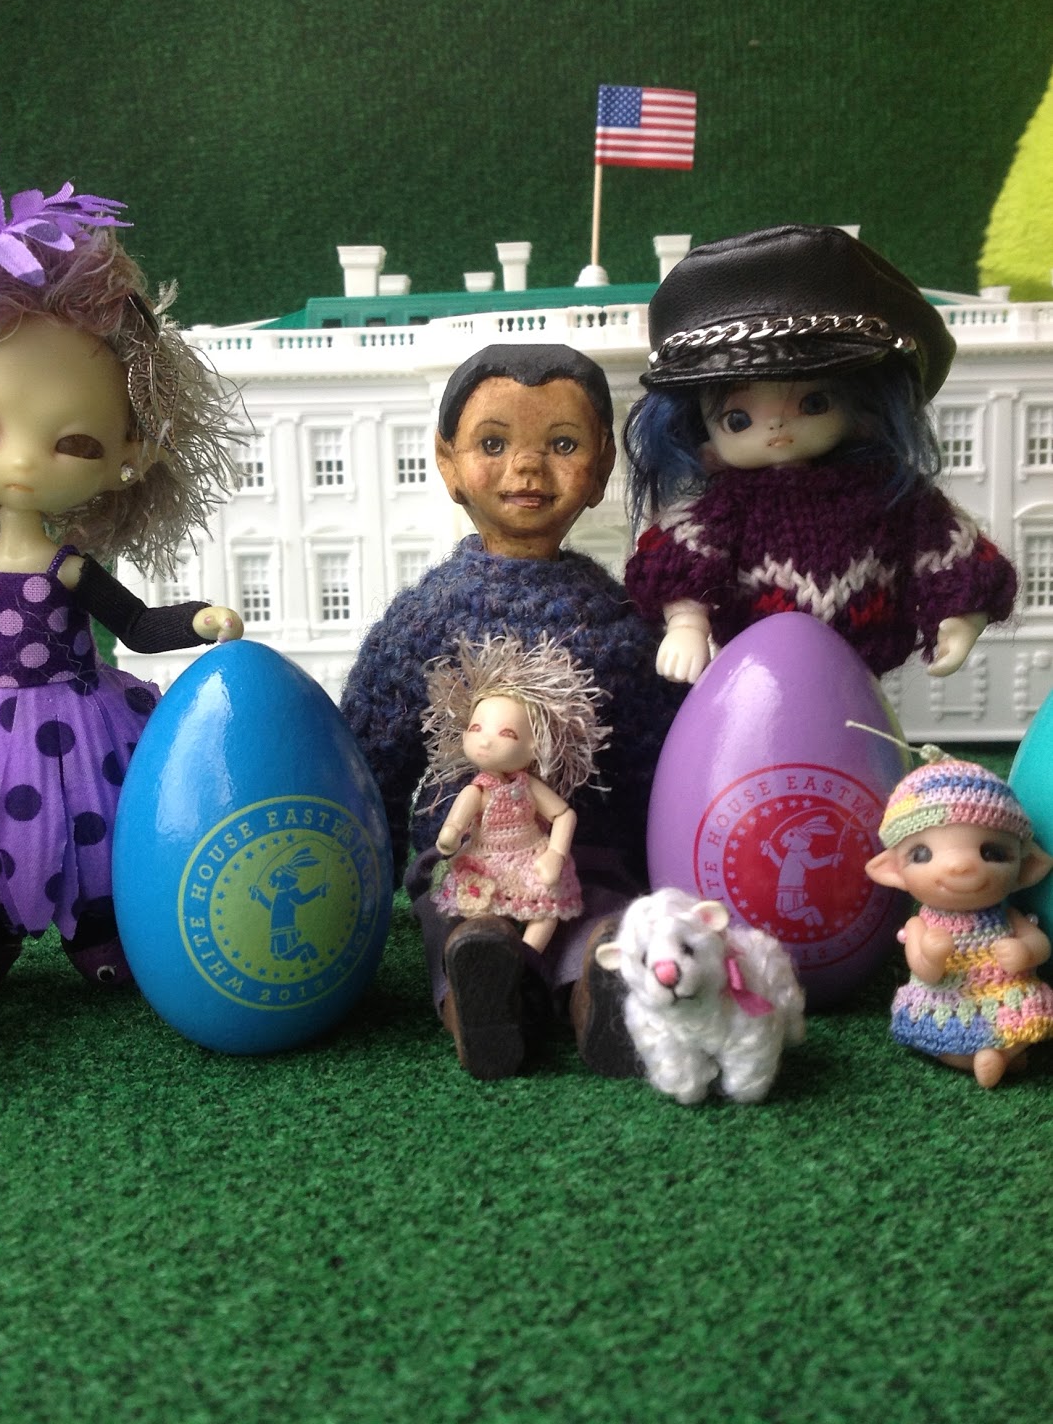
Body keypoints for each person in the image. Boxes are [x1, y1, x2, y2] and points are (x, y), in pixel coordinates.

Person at [0, 143, 242, 991]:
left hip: (81, 720)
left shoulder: (69, 570)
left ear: (130, 456)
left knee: (95, 819)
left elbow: (135, 625)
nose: (23, 462)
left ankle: (95, 929)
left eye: (74, 442)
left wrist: (198, 619)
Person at [340, 343, 679, 1079]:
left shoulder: (619, 622)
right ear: (448, 462)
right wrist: (360, 880)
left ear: (601, 467)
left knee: (604, 921)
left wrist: (666, 865)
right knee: (466, 926)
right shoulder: (425, 619)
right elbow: (371, 755)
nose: (526, 469)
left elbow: (659, 761)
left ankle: (603, 989)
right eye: (493, 445)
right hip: (467, 856)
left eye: (562, 445)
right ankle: (481, 996)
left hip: (588, 856)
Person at [623, 225, 1016, 682]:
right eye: (738, 419)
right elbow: (681, 560)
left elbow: (952, 551)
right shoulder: (726, 508)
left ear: (863, 410)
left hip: (859, 680)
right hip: (754, 680)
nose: (776, 427)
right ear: (701, 437)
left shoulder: (890, 497)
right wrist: (686, 625)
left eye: (813, 403)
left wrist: (959, 617)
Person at [865, 759, 1053, 1088]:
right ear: (893, 871)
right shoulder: (920, 924)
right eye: (922, 854)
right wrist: (930, 956)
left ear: (1026, 868)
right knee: (938, 1038)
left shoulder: (1007, 915)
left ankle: (1000, 1054)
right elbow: (923, 969)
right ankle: (988, 1058)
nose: (960, 866)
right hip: (944, 998)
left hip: (1004, 993)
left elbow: (1040, 944)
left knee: (1035, 1014)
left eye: (992, 853)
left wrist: (1025, 951)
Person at [423, 632, 609, 954]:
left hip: (530, 857)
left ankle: (526, 958)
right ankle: (488, 956)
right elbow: (456, 823)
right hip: (484, 860)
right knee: (478, 908)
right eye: (476, 729)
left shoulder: (529, 787)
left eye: (506, 733)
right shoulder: (477, 790)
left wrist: (555, 853)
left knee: (546, 911)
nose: (486, 741)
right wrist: (450, 835)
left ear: (534, 746)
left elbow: (563, 814)